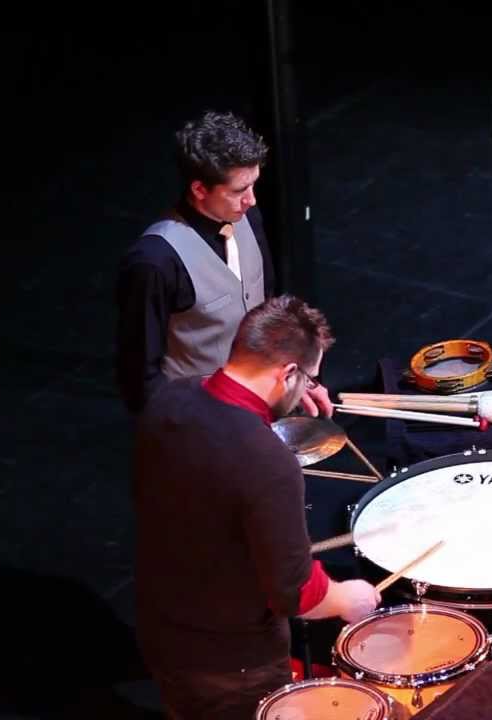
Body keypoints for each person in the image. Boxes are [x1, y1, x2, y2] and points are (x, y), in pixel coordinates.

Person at [132, 295, 380, 719]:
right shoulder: (268, 461)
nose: (308, 388)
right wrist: (346, 597)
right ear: (287, 373)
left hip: (163, 631)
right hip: (235, 662)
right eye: (308, 378)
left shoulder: (168, 399)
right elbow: (295, 593)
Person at [115, 110, 332, 418]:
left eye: (253, 185)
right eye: (239, 190)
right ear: (199, 189)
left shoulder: (248, 217)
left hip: (256, 409)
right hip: (197, 416)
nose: (251, 200)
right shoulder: (155, 260)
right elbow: (140, 372)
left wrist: (301, 381)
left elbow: (268, 313)